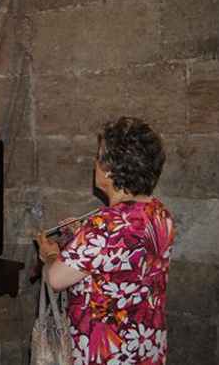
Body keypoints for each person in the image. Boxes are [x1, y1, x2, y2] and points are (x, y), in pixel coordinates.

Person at [37, 117, 175, 365]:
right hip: (146, 347)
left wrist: (51, 254)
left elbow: (55, 279)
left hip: (107, 353)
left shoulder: (105, 225)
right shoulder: (159, 213)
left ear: (111, 169)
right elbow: (122, 261)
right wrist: (81, 236)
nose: (95, 165)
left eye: (99, 157)